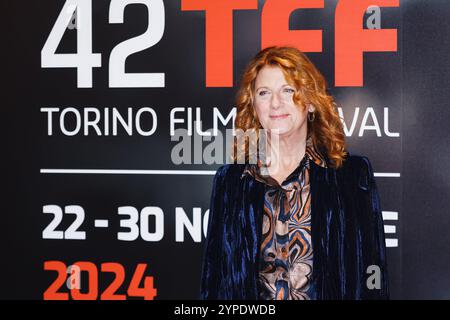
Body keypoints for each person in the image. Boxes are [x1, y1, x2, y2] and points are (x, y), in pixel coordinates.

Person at [200, 46, 389, 300]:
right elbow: (214, 283)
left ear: (310, 102)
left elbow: (372, 277)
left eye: (288, 90)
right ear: (253, 105)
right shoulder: (231, 182)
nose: (276, 103)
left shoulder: (351, 177)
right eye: (264, 93)